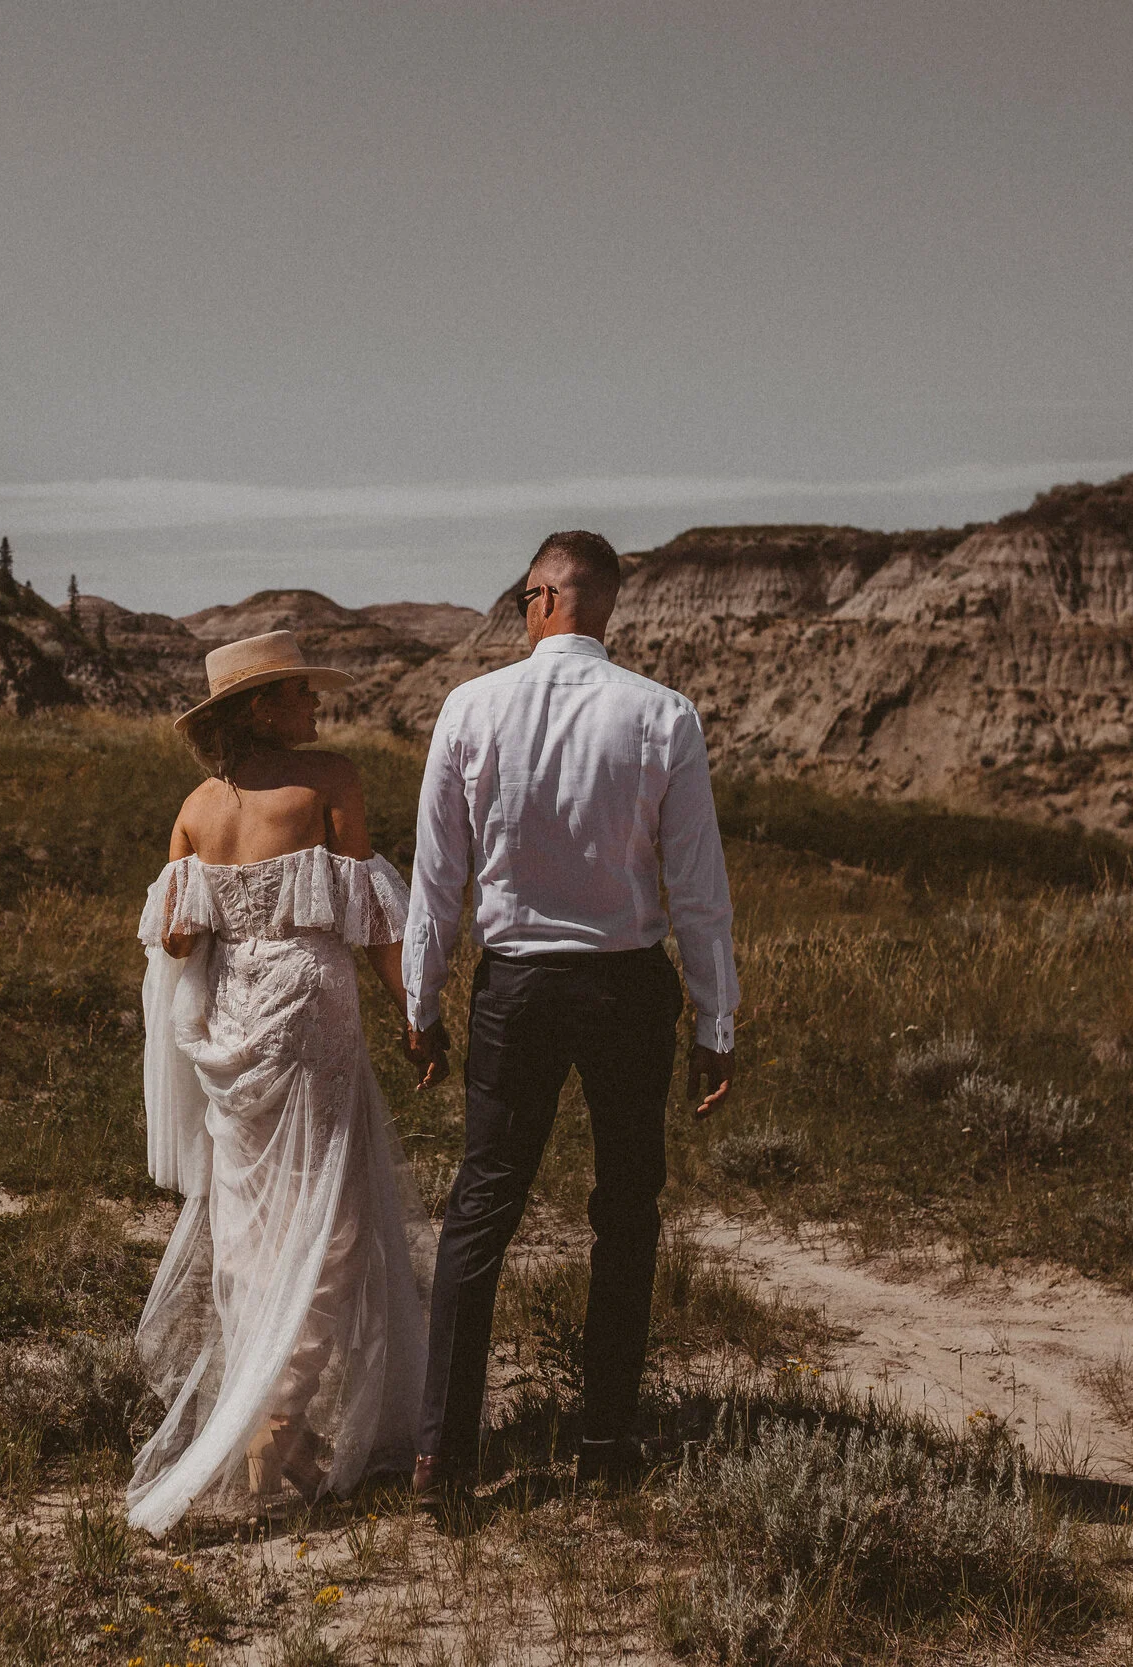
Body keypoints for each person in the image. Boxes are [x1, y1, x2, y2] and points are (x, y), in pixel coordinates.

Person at [403, 530, 739, 1493]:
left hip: (516, 987)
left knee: (481, 1207)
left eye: (523, 598)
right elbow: (698, 888)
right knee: (626, 1211)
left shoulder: (470, 708)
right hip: (626, 987)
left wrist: (422, 1003)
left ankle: (443, 1453)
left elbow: (438, 880)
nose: (522, 612)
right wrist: (716, 1023)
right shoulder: (663, 715)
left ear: (547, 598)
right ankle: (604, 1443)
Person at [127, 630, 429, 1532]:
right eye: (300, 691)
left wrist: (227, 896)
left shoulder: (195, 808)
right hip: (310, 1015)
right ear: (261, 707)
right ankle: (278, 1421)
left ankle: (269, 1410)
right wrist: (417, 1012)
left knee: (252, 1224)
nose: (315, 704)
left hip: (232, 1027)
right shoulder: (331, 780)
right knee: (337, 1222)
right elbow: (375, 923)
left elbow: (178, 939)